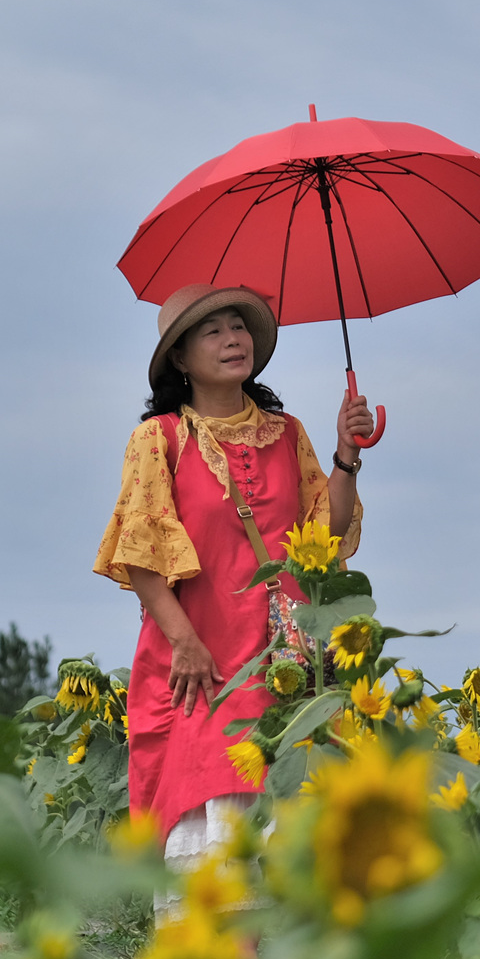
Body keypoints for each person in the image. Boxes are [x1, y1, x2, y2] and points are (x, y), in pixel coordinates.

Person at [93, 282, 374, 860]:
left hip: (290, 656)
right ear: (180, 358)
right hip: (202, 662)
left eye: (238, 326)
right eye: (213, 331)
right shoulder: (159, 439)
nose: (232, 339)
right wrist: (185, 643)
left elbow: (326, 533)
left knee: (301, 816)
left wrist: (347, 453)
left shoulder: (289, 433)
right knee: (214, 829)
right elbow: (140, 553)